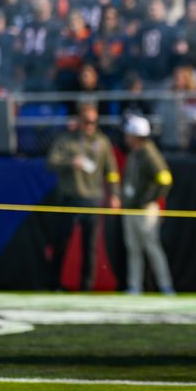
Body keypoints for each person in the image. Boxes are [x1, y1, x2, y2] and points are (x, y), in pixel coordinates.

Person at [46, 102, 121, 291]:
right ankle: (54, 283)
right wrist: (70, 162)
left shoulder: (102, 142)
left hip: (92, 199)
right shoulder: (66, 140)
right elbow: (51, 162)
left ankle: (86, 285)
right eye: (87, 121)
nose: (90, 126)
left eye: (93, 122)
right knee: (61, 242)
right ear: (79, 121)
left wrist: (114, 194)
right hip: (69, 197)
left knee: (90, 246)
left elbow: (111, 171)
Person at [121, 115, 175, 295]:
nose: (126, 137)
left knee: (152, 248)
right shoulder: (134, 153)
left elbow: (165, 179)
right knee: (133, 249)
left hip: (145, 209)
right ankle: (134, 286)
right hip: (132, 208)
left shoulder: (149, 153)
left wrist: (150, 199)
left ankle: (165, 285)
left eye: (129, 133)